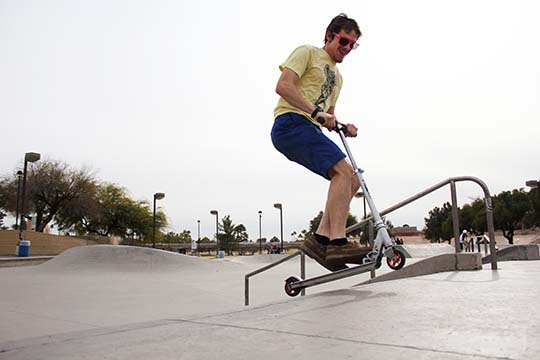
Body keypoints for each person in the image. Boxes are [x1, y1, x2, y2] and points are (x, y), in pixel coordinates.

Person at [271, 13, 369, 271]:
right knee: (343, 172)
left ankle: (320, 240)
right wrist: (315, 113)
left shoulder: (339, 79)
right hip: (290, 123)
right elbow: (283, 86)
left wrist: (342, 125)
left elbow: (329, 116)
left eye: (352, 45)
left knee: (353, 178)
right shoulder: (308, 53)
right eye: (344, 41)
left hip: (311, 127)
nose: (347, 49)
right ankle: (338, 242)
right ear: (329, 36)